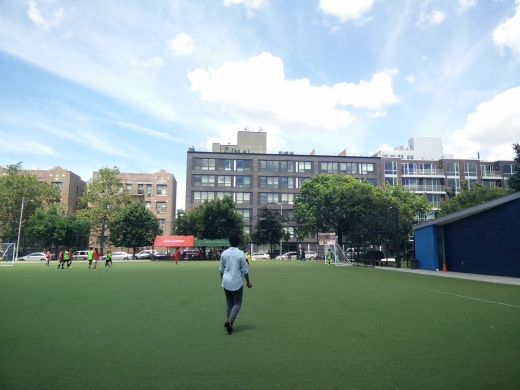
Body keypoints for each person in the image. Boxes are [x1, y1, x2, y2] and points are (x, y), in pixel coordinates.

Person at [219, 234, 252, 335]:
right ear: (238, 242)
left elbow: (221, 269)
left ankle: (229, 323)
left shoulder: (224, 253)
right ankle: (230, 321)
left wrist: (223, 280)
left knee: (229, 303)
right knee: (237, 303)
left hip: (226, 281)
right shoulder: (240, 254)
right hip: (237, 281)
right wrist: (248, 282)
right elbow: (244, 270)